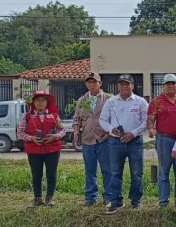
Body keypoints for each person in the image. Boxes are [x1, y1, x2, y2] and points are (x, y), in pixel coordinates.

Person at [99, 75, 148, 213]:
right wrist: (110, 129)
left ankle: (136, 200)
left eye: (127, 84)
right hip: (115, 141)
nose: (124, 86)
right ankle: (116, 201)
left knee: (137, 172)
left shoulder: (141, 102)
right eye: (122, 84)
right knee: (115, 172)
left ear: (133, 85)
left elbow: (146, 122)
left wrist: (133, 133)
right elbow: (103, 120)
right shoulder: (111, 102)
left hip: (135, 141)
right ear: (118, 86)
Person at [148, 73, 176, 209]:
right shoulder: (156, 101)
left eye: (173, 83)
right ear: (164, 86)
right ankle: (163, 201)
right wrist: (151, 128)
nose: (171, 86)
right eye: (168, 84)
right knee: (164, 170)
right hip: (164, 139)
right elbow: (151, 118)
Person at [72, 72, 112, 207]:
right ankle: (90, 198)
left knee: (107, 169)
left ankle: (108, 196)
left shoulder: (108, 99)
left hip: (104, 139)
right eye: (89, 82)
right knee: (90, 170)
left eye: (94, 82)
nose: (92, 84)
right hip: (88, 139)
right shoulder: (82, 100)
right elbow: (77, 118)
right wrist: (76, 130)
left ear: (100, 83)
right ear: (86, 84)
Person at [18, 91, 65, 207]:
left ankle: (49, 198)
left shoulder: (54, 115)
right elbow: (20, 133)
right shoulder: (27, 116)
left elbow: (63, 130)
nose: (40, 103)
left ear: (47, 103)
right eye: (37, 100)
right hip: (34, 151)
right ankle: (37, 199)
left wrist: (56, 136)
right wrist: (31, 138)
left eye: (43, 100)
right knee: (36, 174)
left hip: (52, 150)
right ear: (33, 103)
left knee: (51, 174)